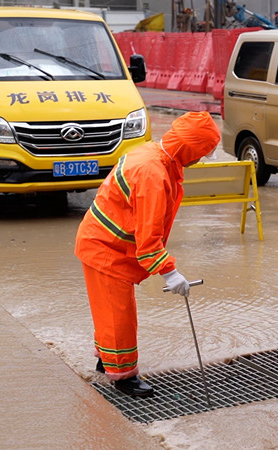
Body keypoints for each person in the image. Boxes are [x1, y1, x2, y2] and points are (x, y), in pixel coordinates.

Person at [74, 111, 220, 397]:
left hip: (103, 242)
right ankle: (123, 377)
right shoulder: (153, 175)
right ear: (188, 149)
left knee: (108, 310)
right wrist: (171, 273)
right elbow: (148, 241)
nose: (200, 160)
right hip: (107, 250)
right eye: (201, 153)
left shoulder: (154, 155)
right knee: (119, 316)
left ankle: (107, 361)